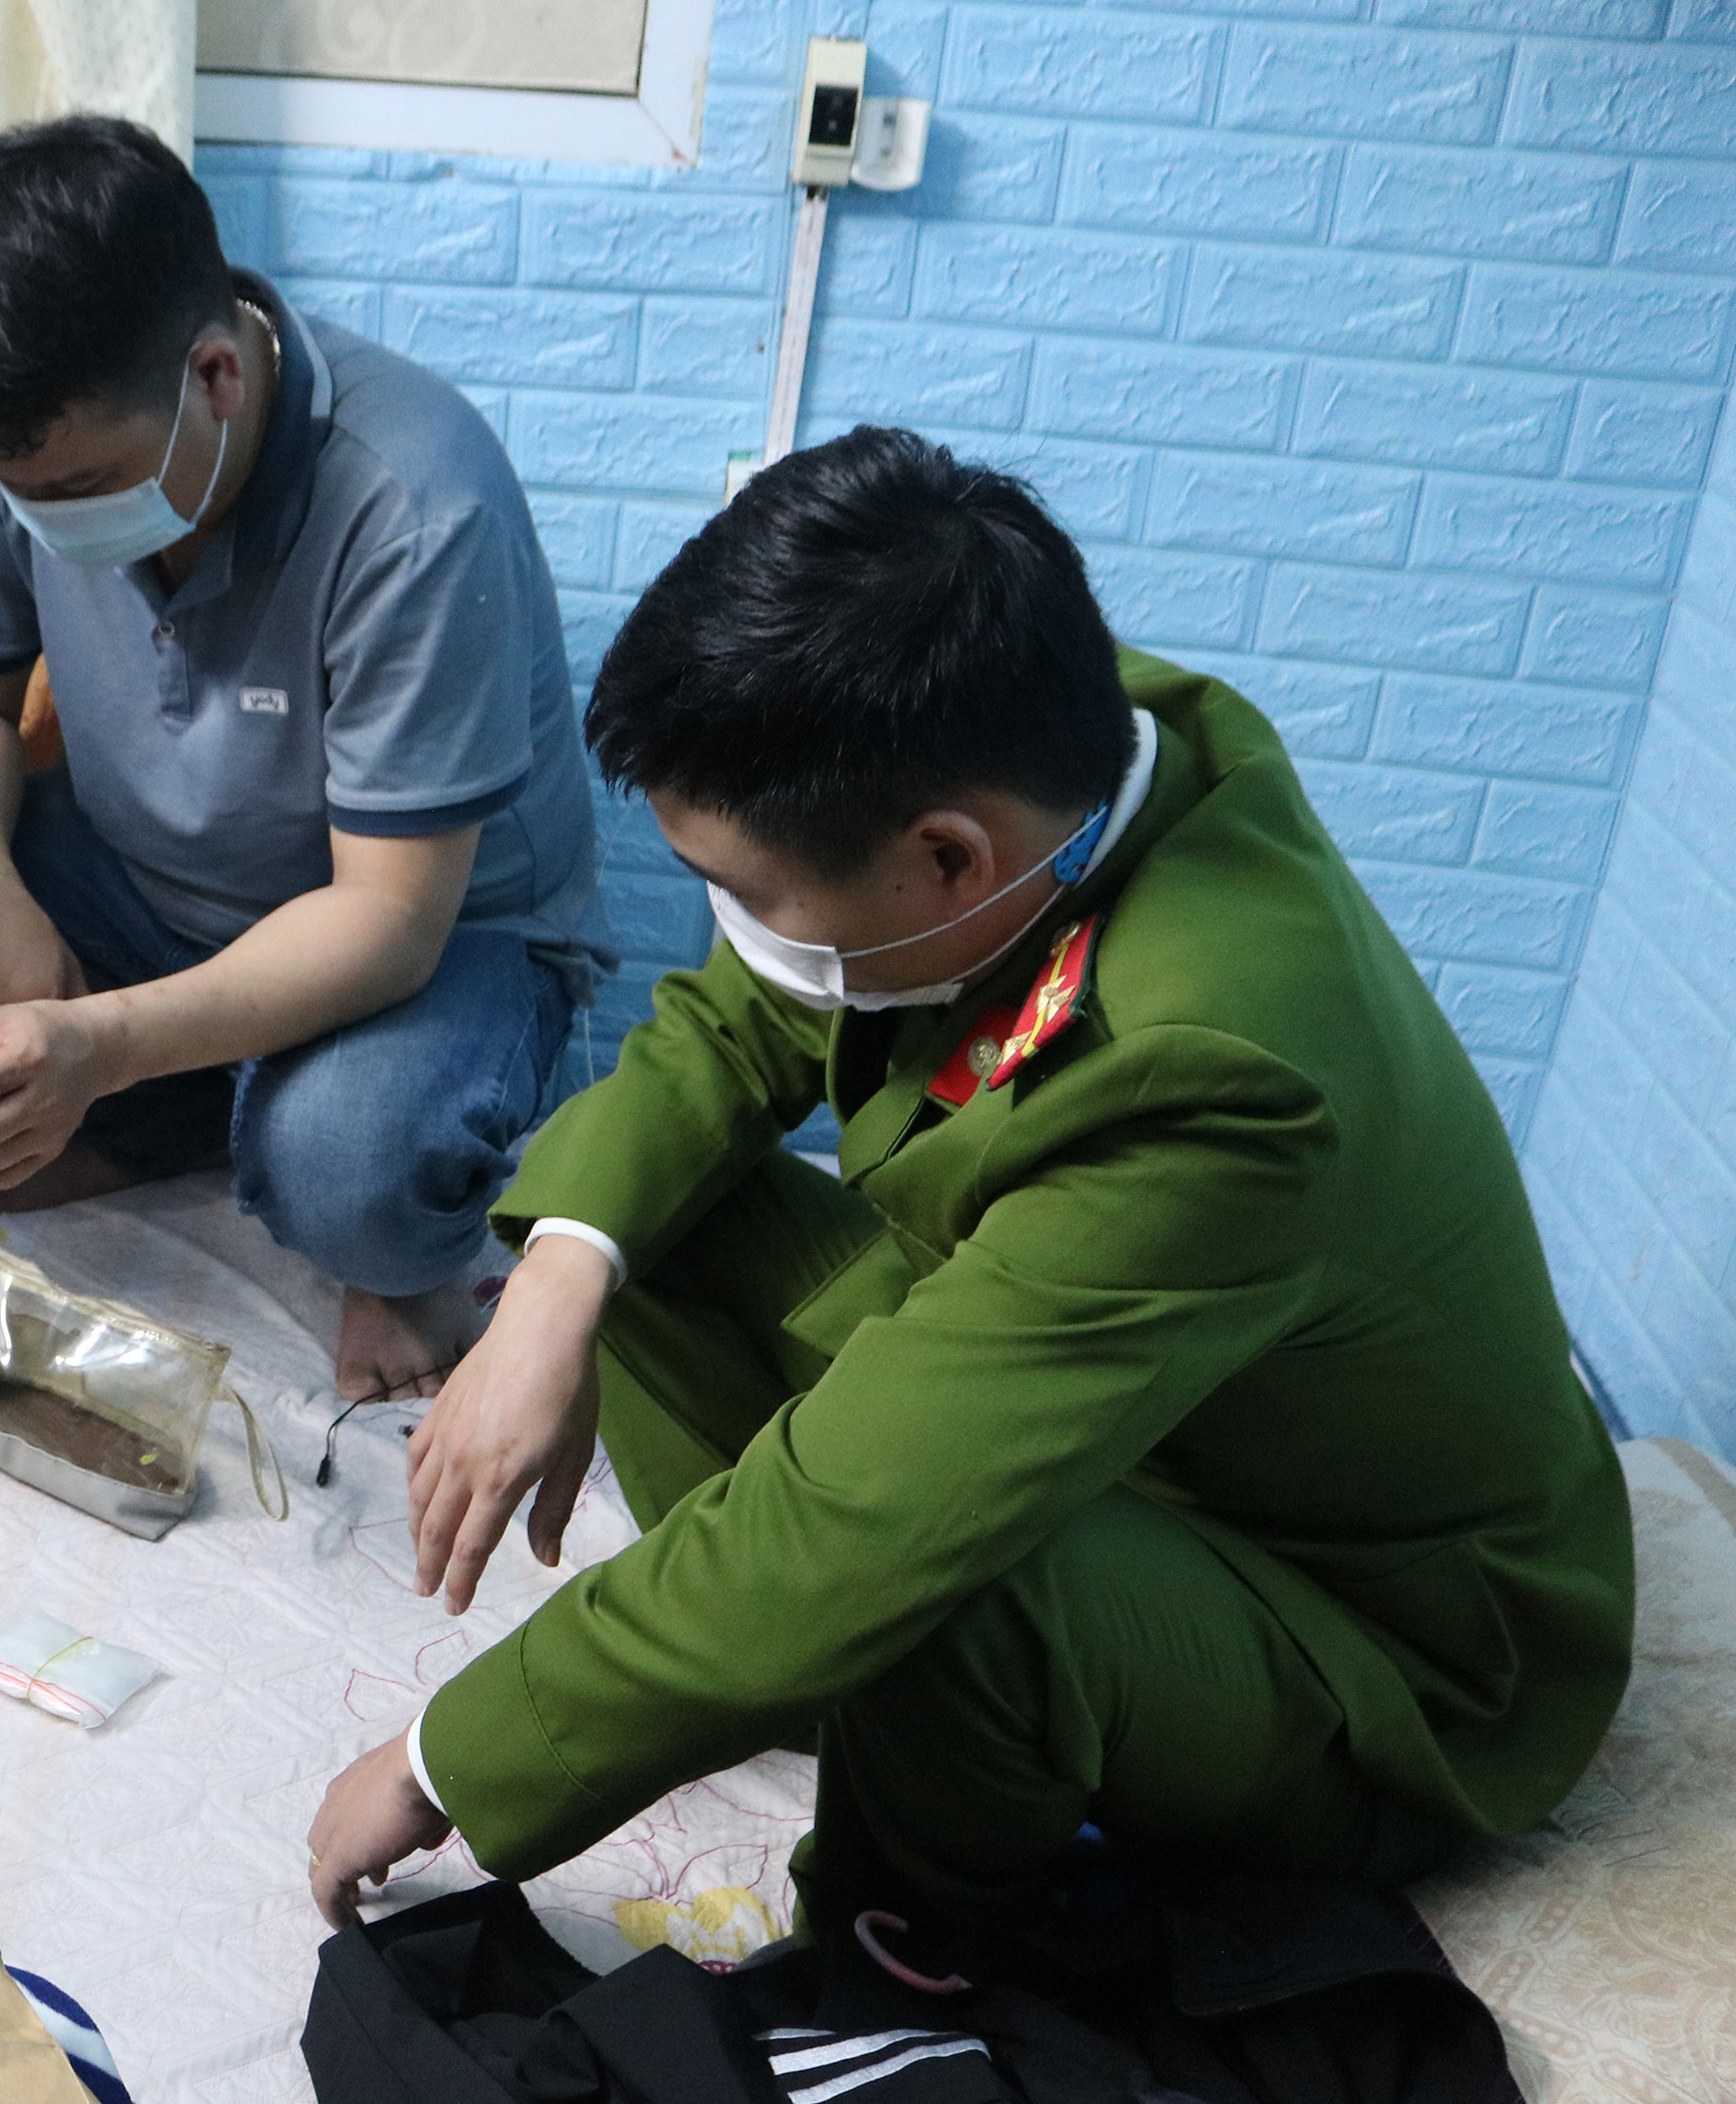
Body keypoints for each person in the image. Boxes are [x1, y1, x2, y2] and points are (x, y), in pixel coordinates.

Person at [305, 427, 1633, 1957]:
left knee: (942, 1569)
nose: (735, 932)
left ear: (948, 859)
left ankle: (893, 1951)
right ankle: (783, 1663)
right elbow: (743, 1025)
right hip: (1162, 1407)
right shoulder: (1045, 741)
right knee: (634, 1213)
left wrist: (447, 1763)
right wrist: (554, 1285)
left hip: (1373, 1644)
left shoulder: (1213, 1072)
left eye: (748, 893)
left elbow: (870, 1517)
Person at [0, 117, 614, 1402]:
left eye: (81, 484)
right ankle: (206, 1107)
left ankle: (295, 1164)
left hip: (418, 943)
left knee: (351, 1174)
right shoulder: (24, 442)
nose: (47, 518)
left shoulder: (416, 504)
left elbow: (386, 920)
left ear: (215, 376)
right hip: (143, 888)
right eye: (17, 489)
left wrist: (96, 1043)